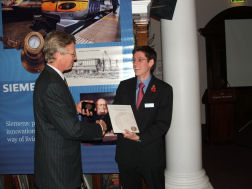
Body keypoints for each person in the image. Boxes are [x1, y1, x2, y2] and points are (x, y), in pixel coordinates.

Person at [33, 30, 107, 189]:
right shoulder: (52, 83)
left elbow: (53, 115)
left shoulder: (51, 78)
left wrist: (75, 109)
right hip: (58, 172)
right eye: (72, 54)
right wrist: (99, 128)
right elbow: (72, 129)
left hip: (58, 168)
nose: (76, 58)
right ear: (59, 54)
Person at [113, 46, 173, 189]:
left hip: (150, 154)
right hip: (126, 154)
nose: (135, 64)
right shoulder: (124, 86)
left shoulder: (164, 89)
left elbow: (163, 124)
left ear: (151, 62)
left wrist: (140, 137)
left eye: (140, 60)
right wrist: (103, 123)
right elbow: (116, 112)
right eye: (134, 60)